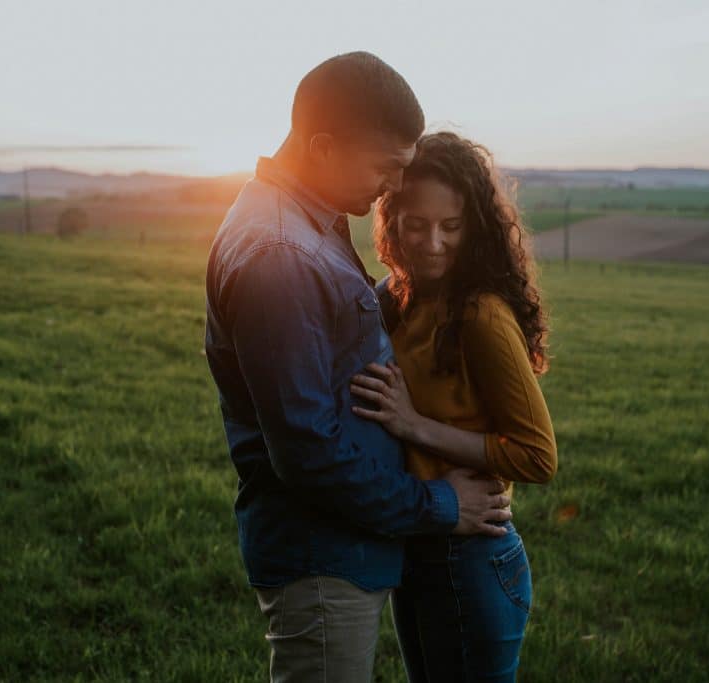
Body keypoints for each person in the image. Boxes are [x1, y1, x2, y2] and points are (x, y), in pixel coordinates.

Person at [203, 53, 513, 683]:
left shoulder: (307, 222)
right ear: (322, 147)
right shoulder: (280, 254)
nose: (393, 188)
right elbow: (309, 452)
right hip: (323, 558)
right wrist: (440, 505)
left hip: (347, 546)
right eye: (385, 167)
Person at [349, 131, 558, 682]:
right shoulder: (400, 298)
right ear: (390, 220)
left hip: (470, 559)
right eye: (415, 224)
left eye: (451, 227)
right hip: (419, 546)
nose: (432, 243)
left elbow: (537, 456)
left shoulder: (480, 315)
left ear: (476, 228)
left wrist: (412, 424)